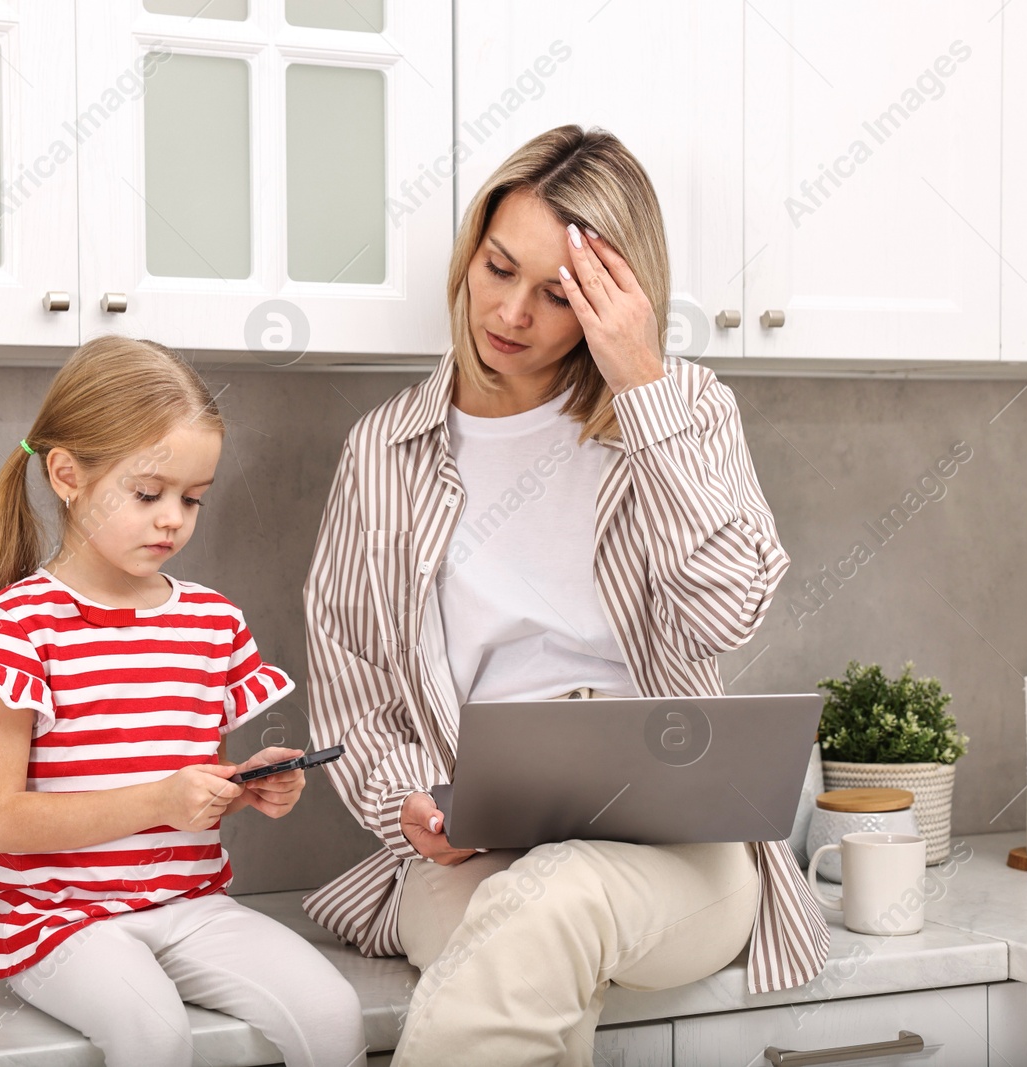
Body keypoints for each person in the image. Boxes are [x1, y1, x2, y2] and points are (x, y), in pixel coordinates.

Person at [301, 126, 831, 1066]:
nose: (510, 311)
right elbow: (353, 685)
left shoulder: (688, 407)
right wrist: (407, 805)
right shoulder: (384, 452)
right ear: (470, 250)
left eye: (558, 294)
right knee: (530, 930)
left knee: (558, 902)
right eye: (498, 266)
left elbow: (727, 611)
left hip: (674, 859)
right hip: (476, 856)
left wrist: (641, 386)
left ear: (614, 302)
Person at [0, 335, 366, 1067]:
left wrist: (240, 788)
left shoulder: (211, 621)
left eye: (192, 498)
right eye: (148, 493)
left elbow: (184, 791)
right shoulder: (19, 626)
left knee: (334, 1013)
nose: (174, 519)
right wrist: (162, 797)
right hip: (58, 924)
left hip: (188, 904)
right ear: (66, 475)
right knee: (155, 1033)